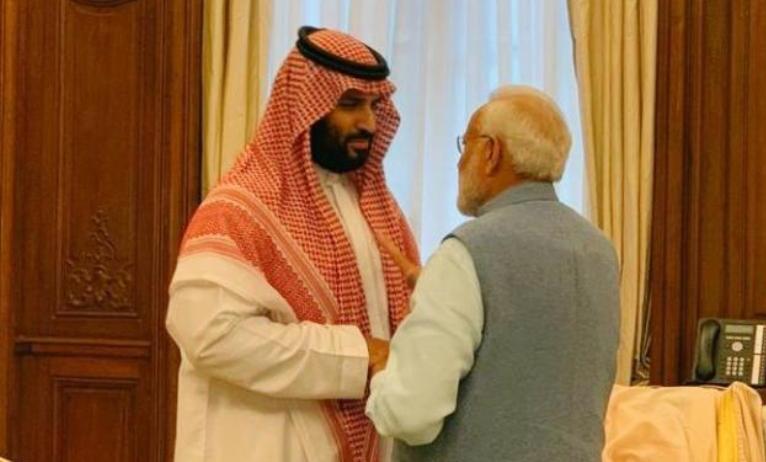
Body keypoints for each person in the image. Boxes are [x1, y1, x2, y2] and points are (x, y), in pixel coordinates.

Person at [166, 26, 418, 462]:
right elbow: (210, 335)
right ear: (305, 106)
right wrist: (356, 355)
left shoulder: (377, 212)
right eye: (350, 104)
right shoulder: (239, 208)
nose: (369, 123)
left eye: (375, 105)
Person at [365, 85, 620, 462]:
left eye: (464, 145)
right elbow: (535, 342)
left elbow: (411, 415)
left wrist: (383, 367)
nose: (458, 163)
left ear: (490, 152)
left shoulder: (467, 252)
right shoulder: (598, 250)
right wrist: (438, 286)